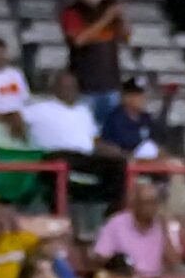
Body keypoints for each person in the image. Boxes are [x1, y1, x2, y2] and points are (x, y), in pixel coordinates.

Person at [22, 71, 127, 209]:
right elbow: (13, 117)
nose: (70, 91)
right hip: (54, 156)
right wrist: (20, 132)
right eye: (65, 86)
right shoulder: (39, 108)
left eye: (73, 87)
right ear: (54, 88)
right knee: (61, 163)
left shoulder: (83, 111)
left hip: (83, 157)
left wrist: (114, 150)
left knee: (118, 165)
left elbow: (94, 140)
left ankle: (111, 213)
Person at [60, 0, 130, 125]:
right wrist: (106, 18)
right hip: (84, 85)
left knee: (110, 132)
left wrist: (122, 18)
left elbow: (125, 38)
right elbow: (78, 40)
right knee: (85, 128)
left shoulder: (108, 8)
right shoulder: (73, 11)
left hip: (110, 83)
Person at [92, 181, 181, 278]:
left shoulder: (164, 226)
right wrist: (119, 263)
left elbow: (175, 263)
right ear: (135, 204)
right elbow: (100, 257)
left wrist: (165, 231)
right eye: (147, 203)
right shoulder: (116, 224)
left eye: (155, 202)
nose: (153, 207)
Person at [99, 77, 168, 160]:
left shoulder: (146, 118)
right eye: (137, 96)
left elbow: (157, 143)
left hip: (150, 164)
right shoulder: (114, 119)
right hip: (124, 165)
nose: (142, 99)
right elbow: (107, 147)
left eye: (143, 95)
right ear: (126, 98)